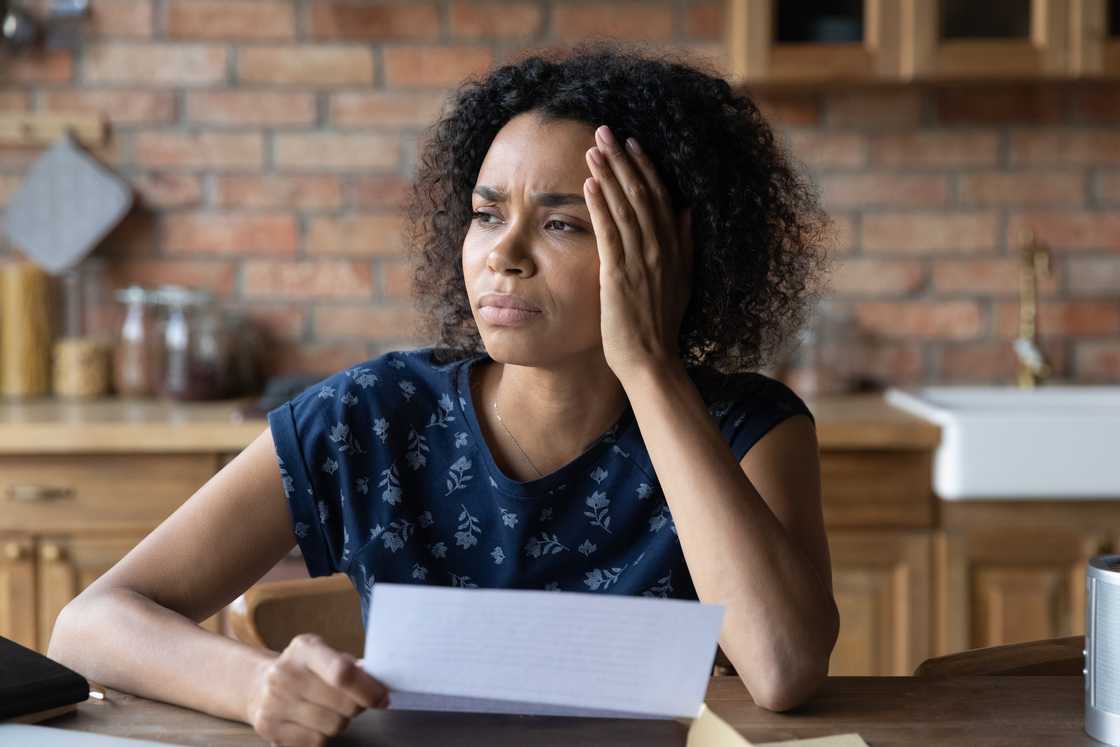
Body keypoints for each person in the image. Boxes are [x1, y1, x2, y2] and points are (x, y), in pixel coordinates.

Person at [48, 42, 837, 746]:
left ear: (669, 248)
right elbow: (89, 625)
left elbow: (784, 668)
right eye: (487, 215)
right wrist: (255, 685)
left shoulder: (749, 430)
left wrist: (651, 368)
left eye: (564, 225)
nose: (505, 255)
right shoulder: (373, 415)